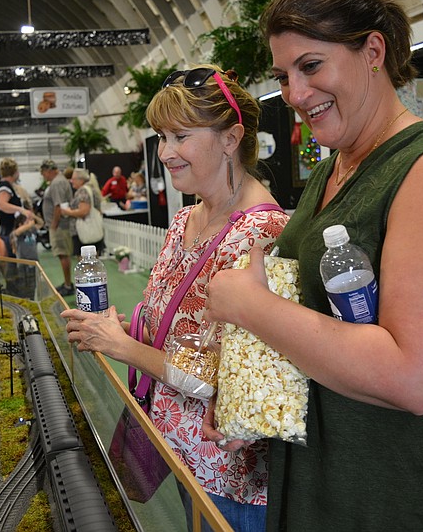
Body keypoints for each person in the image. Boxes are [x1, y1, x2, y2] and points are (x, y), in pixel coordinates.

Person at [201, 0, 423, 531]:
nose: (294, 93)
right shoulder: (334, 168)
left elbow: (416, 377)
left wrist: (250, 307)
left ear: (374, 52)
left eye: (311, 66)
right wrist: (254, 392)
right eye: (284, 76)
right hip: (323, 481)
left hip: (397, 495)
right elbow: (320, 328)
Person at [61, 64, 290, 531]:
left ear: (230, 139)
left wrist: (118, 345)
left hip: (228, 476)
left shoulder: (260, 235)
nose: (165, 152)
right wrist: (128, 328)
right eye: (161, 137)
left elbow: (231, 380)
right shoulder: (187, 219)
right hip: (177, 447)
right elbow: (181, 330)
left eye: (179, 136)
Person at [40, 159, 75, 296]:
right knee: (62, 254)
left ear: (49, 171)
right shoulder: (58, 181)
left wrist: (54, 225)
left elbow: (58, 206)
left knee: (63, 254)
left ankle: (68, 285)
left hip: (60, 226)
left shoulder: (57, 183)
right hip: (59, 225)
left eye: (44, 173)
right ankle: (67, 282)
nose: (44, 177)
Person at [61, 168, 106, 256]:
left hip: (84, 232)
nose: (71, 181)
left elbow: (84, 211)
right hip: (93, 230)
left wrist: (68, 212)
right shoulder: (91, 189)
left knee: (86, 263)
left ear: (80, 180)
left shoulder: (83, 191)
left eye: (73, 179)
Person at [0, 157, 34, 259]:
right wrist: (22, 210)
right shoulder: (5, 187)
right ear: (15, 172)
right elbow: (2, 205)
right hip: (9, 232)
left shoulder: (8, 186)